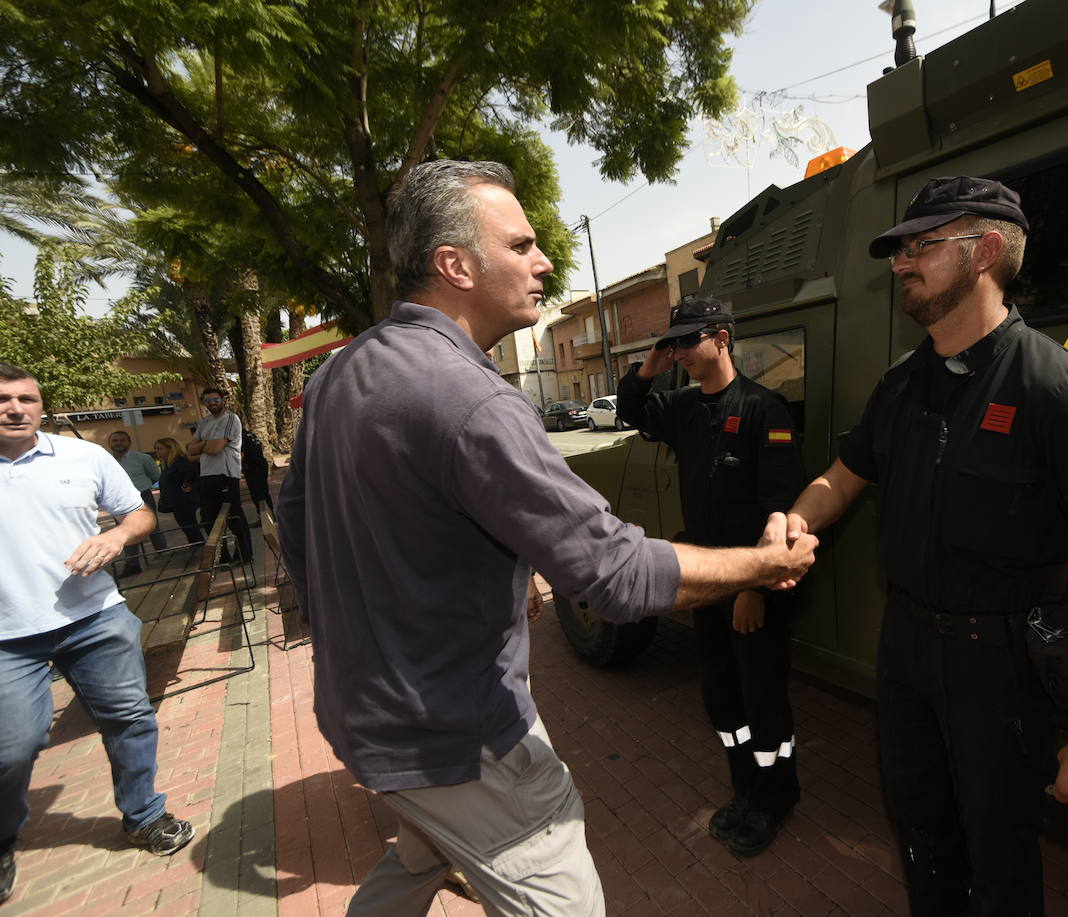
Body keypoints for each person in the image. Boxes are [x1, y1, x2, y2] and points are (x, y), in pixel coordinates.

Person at [276, 159, 819, 917]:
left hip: (366, 712)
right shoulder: (474, 399)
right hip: (460, 734)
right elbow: (615, 574)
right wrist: (765, 564)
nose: (544, 262)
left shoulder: (341, 374)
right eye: (522, 244)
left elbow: (300, 525)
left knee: (420, 855)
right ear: (456, 264)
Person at [783, 177, 1068, 916]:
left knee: (1000, 860)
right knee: (921, 835)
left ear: (987, 252)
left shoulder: (1063, 389)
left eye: (922, 246)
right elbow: (841, 478)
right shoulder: (903, 384)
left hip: (1000, 668)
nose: (902, 262)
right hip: (906, 648)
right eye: (900, 250)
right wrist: (796, 520)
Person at [617, 295, 807, 857]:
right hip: (705, 582)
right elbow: (632, 410)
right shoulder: (682, 407)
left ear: (723, 337)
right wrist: (649, 365)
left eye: (690, 341)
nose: (682, 354)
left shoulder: (762, 409)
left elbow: (780, 509)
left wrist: (753, 587)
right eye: (674, 344)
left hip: (754, 589)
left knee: (763, 698)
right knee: (722, 696)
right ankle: (745, 789)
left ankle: (776, 799)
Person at [0, 364, 195, 905]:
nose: (16, 408)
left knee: (130, 719)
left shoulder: (82, 457)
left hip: (95, 618)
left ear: (41, 405)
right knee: (11, 748)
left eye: (26, 399)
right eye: (4, 399)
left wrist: (117, 537)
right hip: (8, 638)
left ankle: (144, 816)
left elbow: (140, 515)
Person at [187, 387, 253, 565]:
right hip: (206, 475)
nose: (212, 404)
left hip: (226, 475)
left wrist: (203, 446)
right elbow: (190, 451)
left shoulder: (230, 418)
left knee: (233, 518)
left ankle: (244, 556)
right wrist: (206, 445)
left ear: (223, 400)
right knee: (209, 520)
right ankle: (223, 558)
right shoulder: (204, 422)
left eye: (215, 400)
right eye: (207, 401)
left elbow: (215, 449)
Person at [105, 429, 168, 575]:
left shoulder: (142, 458)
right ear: (110, 443)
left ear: (129, 442)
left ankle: (165, 557)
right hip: (119, 499)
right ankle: (132, 565)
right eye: (115, 441)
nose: (118, 443)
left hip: (143, 496)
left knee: (153, 527)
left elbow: (156, 476)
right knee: (126, 531)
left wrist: (142, 487)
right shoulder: (105, 460)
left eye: (122, 440)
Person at [152, 437, 203, 546]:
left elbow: (192, 475)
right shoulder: (170, 464)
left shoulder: (180, 463)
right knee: (188, 529)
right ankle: (196, 547)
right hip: (177, 503)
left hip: (184, 502)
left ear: (170, 449)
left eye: (160, 448)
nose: (157, 451)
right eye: (156, 449)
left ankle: (200, 548)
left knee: (191, 528)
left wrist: (187, 485)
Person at [240, 427, 273, 526]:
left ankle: (263, 518)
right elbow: (261, 446)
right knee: (264, 492)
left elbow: (240, 454)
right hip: (261, 464)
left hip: (253, 467)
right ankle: (271, 515)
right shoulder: (250, 434)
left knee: (257, 494)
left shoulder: (240, 436)